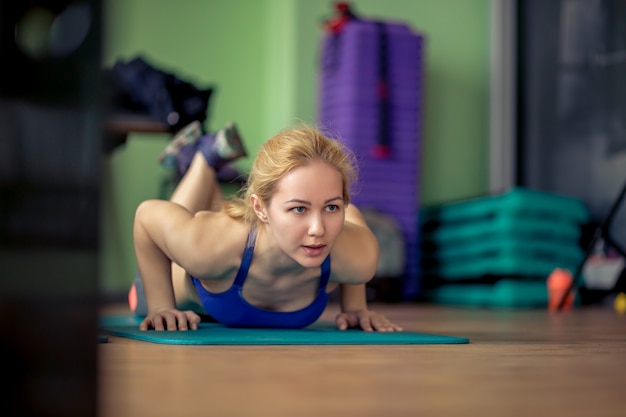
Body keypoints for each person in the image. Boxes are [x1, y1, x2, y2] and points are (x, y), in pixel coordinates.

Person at [130, 122, 403, 332]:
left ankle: (206, 158)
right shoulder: (209, 246)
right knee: (143, 293)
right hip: (182, 272)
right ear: (260, 208)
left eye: (331, 207)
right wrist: (161, 305)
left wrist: (355, 307)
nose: (318, 229)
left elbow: (352, 215)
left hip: (227, 255)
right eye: (299, 209)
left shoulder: (359, 256)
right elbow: (147, 216)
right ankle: (203, 159)